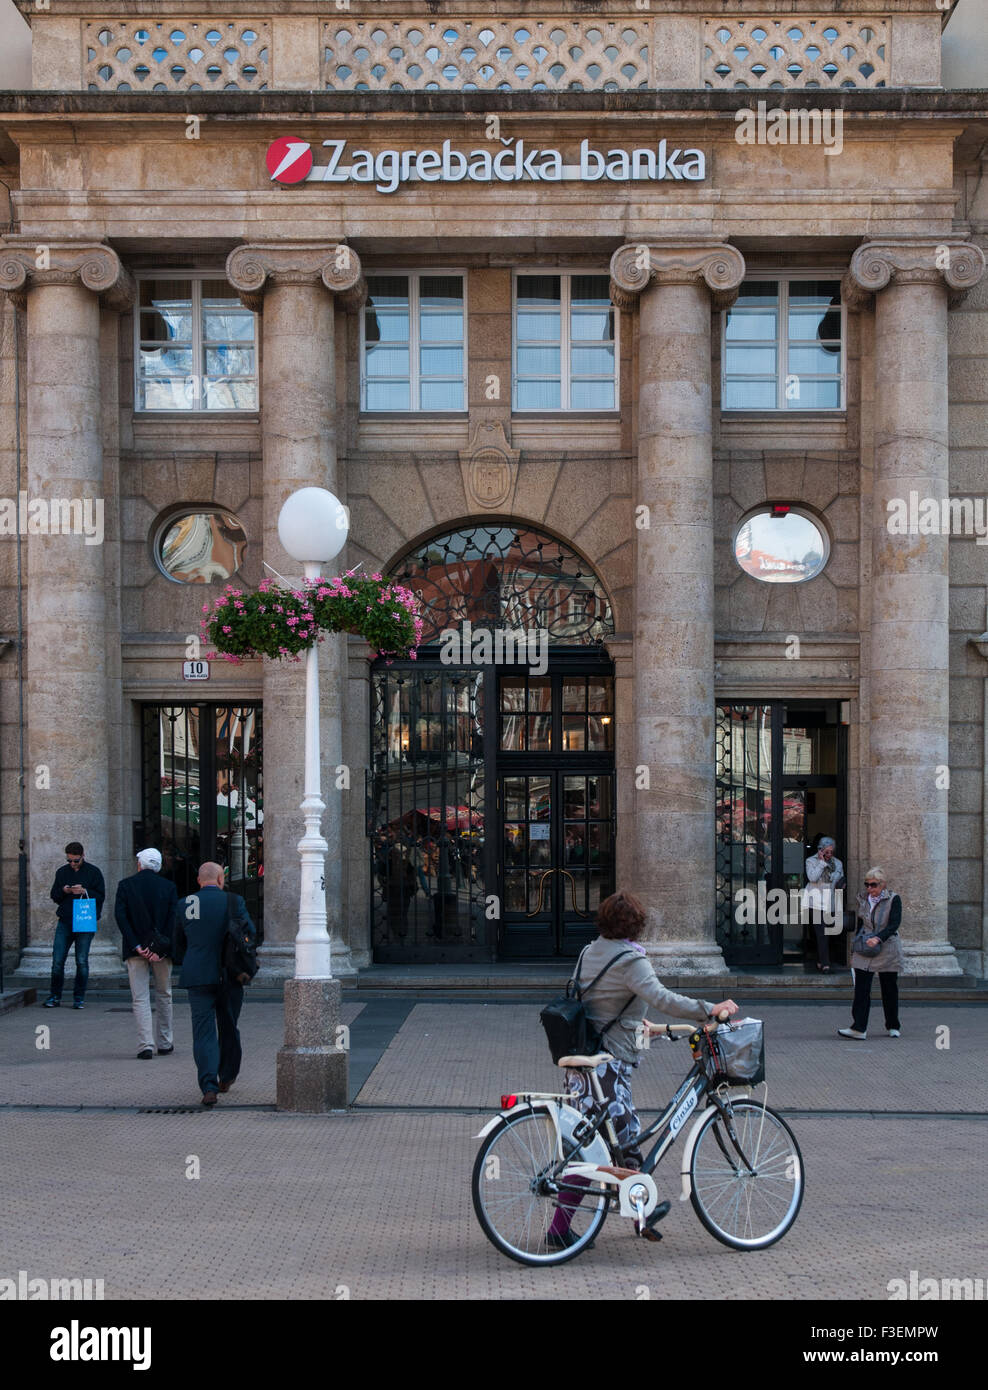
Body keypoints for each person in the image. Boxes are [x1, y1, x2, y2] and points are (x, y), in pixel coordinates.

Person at [550, 889, 738, 1250]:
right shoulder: (629, 960)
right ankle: (630, 1216)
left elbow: (599, 1001)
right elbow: (664, 997)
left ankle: (625, 1218)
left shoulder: (590, 951)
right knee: (622, 1143)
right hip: (607, 1066)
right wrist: (710, 1009)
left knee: (590, 1147)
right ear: (635, 926)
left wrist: (642, 1025)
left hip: (582, 1062)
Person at [173, 861, 257, 1106]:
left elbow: (178, 944)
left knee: (203, 1032)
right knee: (229, 1026)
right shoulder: (233, 901)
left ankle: (208, 1085)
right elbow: (249, 933)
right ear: (221, 879)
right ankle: (227, 1076)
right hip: (230, 975)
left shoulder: (185, 903)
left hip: (197, 975)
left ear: (199, 881)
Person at [114, 848, 178, 1060]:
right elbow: (172, 921)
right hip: (161, 952)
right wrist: (160, 949)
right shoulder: (169, 887)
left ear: (139, 864)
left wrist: (136, 945)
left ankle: (146, 1045)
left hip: (135, 950)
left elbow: (121, 918)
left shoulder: (125, 885)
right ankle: (165, 1042)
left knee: (139, 998)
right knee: (164, 994)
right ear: (158, 866)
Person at [838, 866, 903, 1040]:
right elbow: (861, 923)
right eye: (867, 884)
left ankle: (893, 1025)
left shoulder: (893, 899)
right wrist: (855, 944)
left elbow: (894, 924)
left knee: (889, 988)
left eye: (873, 885)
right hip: (865, 945)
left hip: (886, 946)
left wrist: (879, 938)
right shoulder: (863, 899)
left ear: (883, 885)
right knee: (861, 988)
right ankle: (859, 1028)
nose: (870, 888)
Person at [44, 842, 106, 1009]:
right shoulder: (62, 872)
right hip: (65, 920)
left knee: (81, 961)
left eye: (75, 861)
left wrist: (84, 891)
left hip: (85, 920)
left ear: (82, 856)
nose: (72, 864)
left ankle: (79, 998)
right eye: (69, 860)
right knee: (57, 960)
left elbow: (101, 896)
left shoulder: (94, 872)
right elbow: (54, 896)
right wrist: (65, 890)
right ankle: (54, 996)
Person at [802, 836, 846, 972]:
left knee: (828, 933)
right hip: (815, 902)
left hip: (830, 902)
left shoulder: (837, 863)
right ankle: (826, 964)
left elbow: (840, 878)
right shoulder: (811, 861)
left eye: (831, 852)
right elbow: (812, 877)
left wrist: (842, 884)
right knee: (821, 933)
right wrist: (821, 863)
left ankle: (820, 960)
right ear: (820, 850)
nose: (829, 854)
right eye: (826, 852)